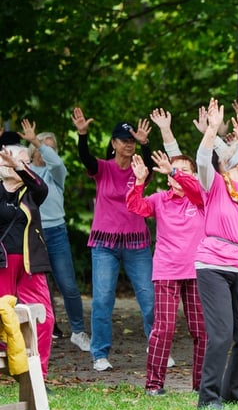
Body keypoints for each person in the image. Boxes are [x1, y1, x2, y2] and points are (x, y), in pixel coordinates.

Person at [193, 98, 238, 410]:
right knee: (221, 335)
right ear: (236, 164)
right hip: (212, 265)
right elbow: (200, 162)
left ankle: (231, 391)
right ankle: (208, 398)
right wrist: (211, 131)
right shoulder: (215, 185)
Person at [72, 107, 155, 372]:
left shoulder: (139, 169)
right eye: (124, 139)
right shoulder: (103, 169)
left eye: (132, 140)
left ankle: (157, 348)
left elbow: (151, 164)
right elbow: (86, 158)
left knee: (149, 299)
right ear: (114, 143)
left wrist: (146, 144)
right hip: (105, 244)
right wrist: (82, 135)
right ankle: (99, 354)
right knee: (102, 299)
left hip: (137, 243)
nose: (128, 144)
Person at [126, 150, 208, 396]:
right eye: (174, 171)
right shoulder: (159, 199)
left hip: (197, 271)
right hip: (166, 271)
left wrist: (177, 173)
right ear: (167, 178)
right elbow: (135, 206)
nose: (179, 175)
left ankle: (201, 384)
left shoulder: (201, 198)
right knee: (164, 329)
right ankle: (154, 385)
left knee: (202, 330)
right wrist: (139, 181)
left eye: (185, 171)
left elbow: (193, 188)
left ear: (193, 175)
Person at [18, 119, 90, 352]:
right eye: (40, 147)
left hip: (56, 231)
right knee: (38, 285)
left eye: (50, 147)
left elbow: (56, 162)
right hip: (32, 233)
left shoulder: (57, 174)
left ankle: (78, 332)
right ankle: (44, 327)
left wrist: (37, 141)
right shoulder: (25, 173)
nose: (44, 151)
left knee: (68, 284)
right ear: (31, 151)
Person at [0, 145, 55, 376]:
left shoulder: (32, 192)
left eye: (27, 163)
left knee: (45, 318)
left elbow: (41, 185)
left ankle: (37, 375)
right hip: (2, 264)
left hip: (30, 262)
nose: (26, 166)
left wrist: (19, 167)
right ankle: (7, 367)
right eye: (16, 161)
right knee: (3, 317)